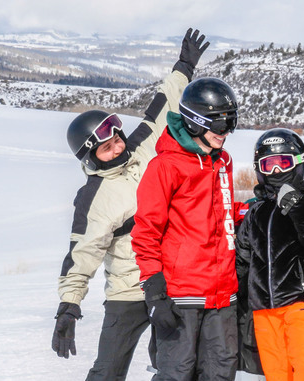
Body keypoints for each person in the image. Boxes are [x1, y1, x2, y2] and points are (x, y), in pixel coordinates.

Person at [52, 28, 207, 381]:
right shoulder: (93, 198)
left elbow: (163, 104)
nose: (117, 147)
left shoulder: (141, 149)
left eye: (116, 136)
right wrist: (68, 306)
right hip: (128, 291)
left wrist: (184, 66)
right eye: (105, 147)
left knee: (177, 366)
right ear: (90, 156)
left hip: (170, 282)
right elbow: (83, 253)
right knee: (108, 371)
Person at [131, 74, 244, 381]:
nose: (226, 133)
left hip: (223, 295)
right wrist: (154, 288)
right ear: (195, 122)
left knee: (221, 371)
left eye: (231, 124)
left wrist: (249, 211)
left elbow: (220, 212)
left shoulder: (223, 162)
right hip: (183, 296)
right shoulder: (166, 166)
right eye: (220, 125)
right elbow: (145, 230)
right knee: (177, 373)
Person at [235, 129, 304, 381]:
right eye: (270, 165)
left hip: (301, 303)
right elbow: (243, 259)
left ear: (298, 162)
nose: (277, 172)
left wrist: (298, 207)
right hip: (264, 309)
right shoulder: (255, 212)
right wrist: (238, 300)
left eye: (284, 163)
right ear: (259, 168)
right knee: (276, 375)